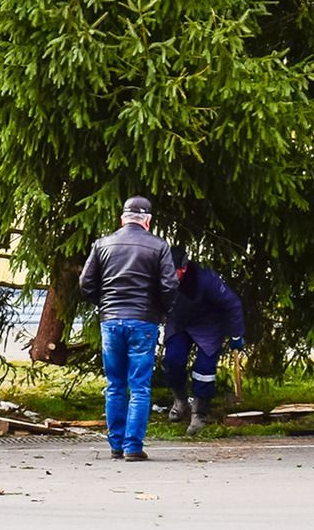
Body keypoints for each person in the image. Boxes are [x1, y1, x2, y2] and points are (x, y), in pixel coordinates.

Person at [79, 196, 177, 463]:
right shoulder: (158, 246)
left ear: (122, 218)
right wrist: (160, 311)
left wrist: (105, 303)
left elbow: (86, 283)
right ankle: (133, 446)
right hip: (143, 321)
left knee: (115, 385)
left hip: (111, 320)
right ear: (148, 221)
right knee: (140, 386)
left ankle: (116, 445)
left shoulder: (102, 244)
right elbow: (169, 286)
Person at [163, 254, 246, 435]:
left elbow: (232, 304)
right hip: (179, 323)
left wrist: (236, 334)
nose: (167, 274)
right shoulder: (159, 277)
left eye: (172, 271)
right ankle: (180, 400)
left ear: (183, 269)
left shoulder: (206, 279)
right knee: (172, 361)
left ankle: (199, 414)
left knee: (204, 370)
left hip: (208, 325)